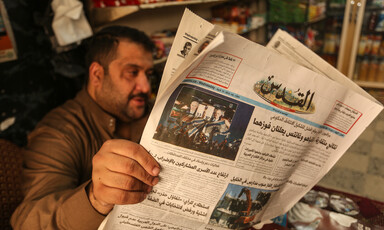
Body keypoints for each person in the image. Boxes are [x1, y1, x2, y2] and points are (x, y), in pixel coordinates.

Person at [11, 25, 161, 229]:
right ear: (97, 74)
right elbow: (28, 221)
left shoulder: (156, 112)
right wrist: (95, 199)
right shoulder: (60, 132)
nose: (145, 87)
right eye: (132, 72)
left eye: (148, 74)